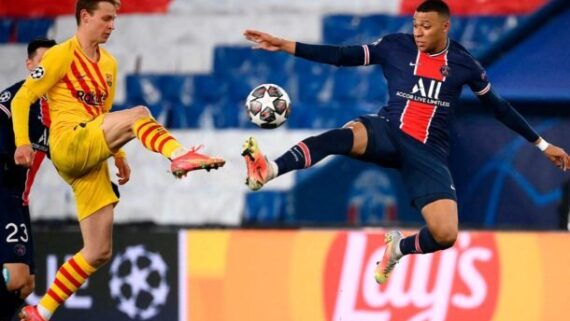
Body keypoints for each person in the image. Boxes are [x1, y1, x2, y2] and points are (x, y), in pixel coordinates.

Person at [242, 0, 569, 285]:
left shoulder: (463, 64)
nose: (418, 32)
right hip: (388, 130)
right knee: (342, 138)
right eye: (415, 25)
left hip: (428, 154)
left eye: (426, 26)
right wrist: (286, 45)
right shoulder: (394, 46)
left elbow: (499, 107)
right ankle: (269, 169)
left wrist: (542, 145)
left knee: (445, 235)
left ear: (445, 27)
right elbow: (343, 55)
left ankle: (397, 249)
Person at [11, 1, 225, 320]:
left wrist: (119, 154)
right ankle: (179, 155)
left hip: (91, 150)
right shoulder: (60, 55)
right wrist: (23, 143)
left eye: (115, 19)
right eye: (107, 18)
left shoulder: (109, 64)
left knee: (98, 251)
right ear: (85, 17)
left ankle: (41, 310)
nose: (113, 25)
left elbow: (104, 116)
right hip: (69, 141)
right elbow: (22, 98)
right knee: (139, 113)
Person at [0, 38, 56, 321]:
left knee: (25, 286)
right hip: (3, 193)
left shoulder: (57, 110)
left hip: (19, 199)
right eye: (42, 63)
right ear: (29, 65)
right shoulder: (13, 99)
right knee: (15, 277)